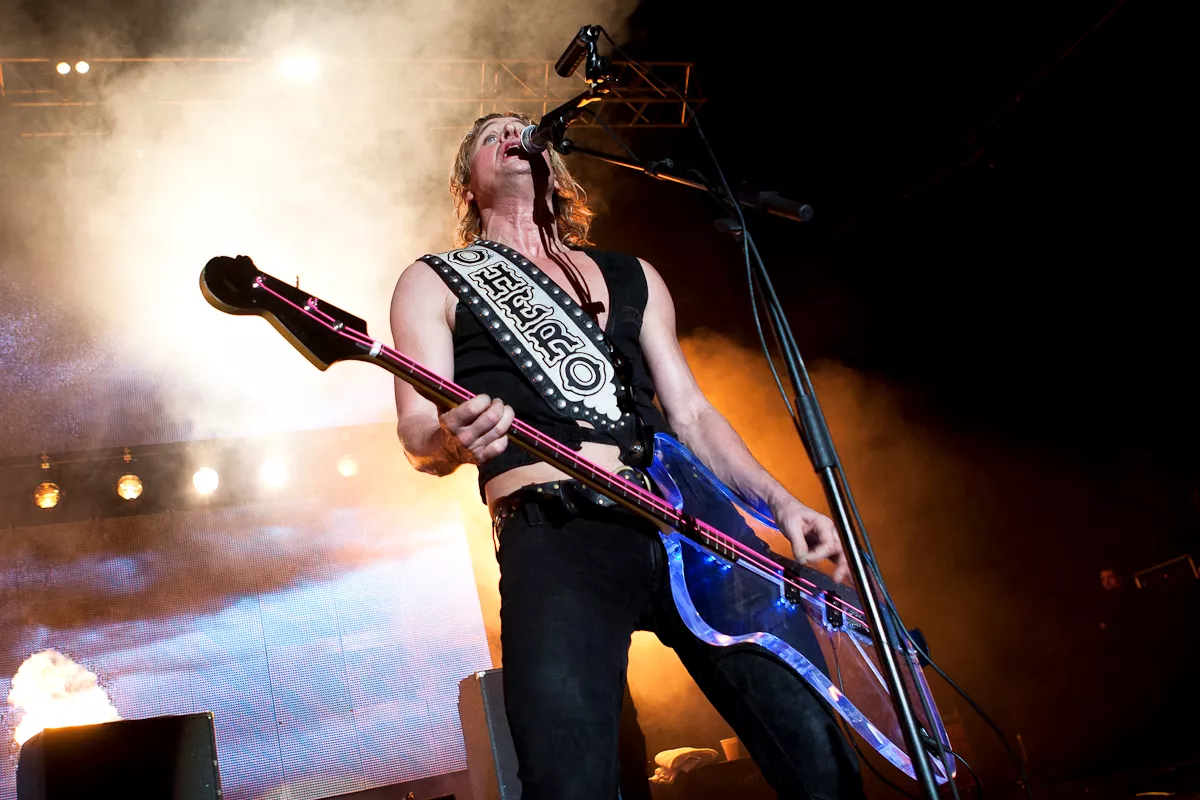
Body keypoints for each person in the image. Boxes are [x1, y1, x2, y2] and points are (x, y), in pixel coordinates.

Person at [391, 112, 864, 799]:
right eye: (493, 136)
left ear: (558, 166)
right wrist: (450, 440)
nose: (514, 136)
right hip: (557, 531)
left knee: (816, 751)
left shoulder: (633, 274)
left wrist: (782, 503)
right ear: (467, 186)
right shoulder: (433, 279)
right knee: (570, 776)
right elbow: (415, 432)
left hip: (692, 524)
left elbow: (692, 414)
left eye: (524, 127)